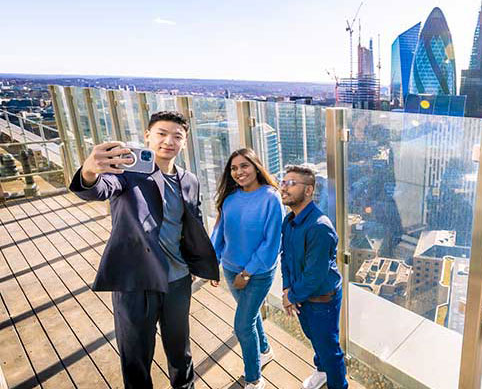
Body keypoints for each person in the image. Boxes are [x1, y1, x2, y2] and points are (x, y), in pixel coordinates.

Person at [69, 111, 219, 389]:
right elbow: (98, 189)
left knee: (180, 349)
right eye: (161, 133)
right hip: (135, 282)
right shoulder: (127, 174)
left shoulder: (190, 180)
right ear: (148, 135)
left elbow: (192, 222)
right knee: (136, 355)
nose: (169, 141)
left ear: (184, 142)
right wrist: (90, 170)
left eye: (177, 136)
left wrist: (197, 263)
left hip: (177, 280)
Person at [210, 149, 283, 389]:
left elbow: (271, 243)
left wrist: (247, 273)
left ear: (256, 166)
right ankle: (264, 350)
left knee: (242, 325)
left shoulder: (271, 198)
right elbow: (220, 234)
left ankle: (253, 378)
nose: (239, 172)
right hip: (231, 269)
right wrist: (213, 264)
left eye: (244, 166)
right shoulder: (230, 199)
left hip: (258, 274)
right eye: (234, 169)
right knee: (249, 316)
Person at [279, 165, 348, 389]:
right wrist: (287, 289)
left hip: (321, 300)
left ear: (308, 191)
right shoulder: (289, 221)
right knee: (314, 338)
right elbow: (285, 257)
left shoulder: (319, 227)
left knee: (330, 351)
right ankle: (321, 372)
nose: (284, 188)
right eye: (283, 182)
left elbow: (315, 276)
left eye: (292, 183)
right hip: (302, 295)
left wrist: (292, 295)